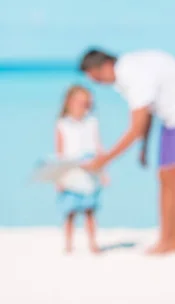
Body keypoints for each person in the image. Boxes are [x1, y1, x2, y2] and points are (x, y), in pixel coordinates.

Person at [79, 49, 175, 255]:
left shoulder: (132, 74)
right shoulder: (127, 73)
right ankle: (167, 238)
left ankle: (173, 240)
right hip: (171, 117)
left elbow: (136, 127)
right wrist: (144, 146)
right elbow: (146, 112)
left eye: (96, 77)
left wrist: (104, 160)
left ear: (105, 65)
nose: (98, 83)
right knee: (164, 176)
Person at [55, 84, 108, 253]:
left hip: (90, 170)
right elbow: (60, 152)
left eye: (87, 104)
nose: (84, 107)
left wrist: (103, 171)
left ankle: (93, 242)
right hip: (70, 170)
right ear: (69, 102)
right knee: (69, 211)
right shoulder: (62, 124)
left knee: (89, 210)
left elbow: (98, 147)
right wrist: (59, 177)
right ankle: (68, 244)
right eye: (81, 103)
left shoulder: (92, 122)